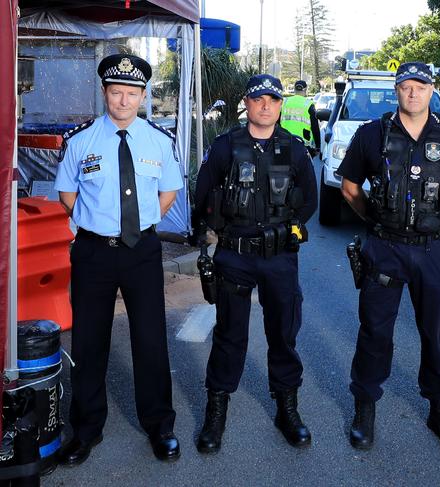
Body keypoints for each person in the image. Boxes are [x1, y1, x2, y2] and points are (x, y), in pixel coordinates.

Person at [338, 62, 440, 451]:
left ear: (432, 89)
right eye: (406, 87)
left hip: (433, 249)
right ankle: (365, 408)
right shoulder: (372, 134)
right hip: (384, 247)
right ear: (397, 90)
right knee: (375, 331)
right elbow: (350, 187)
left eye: (421, 86)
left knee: (437, 333)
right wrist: (376, 219)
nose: (413, 93)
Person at [54, 54, 183, 465]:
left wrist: (139, 226)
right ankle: (86, 430)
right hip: (93, 252)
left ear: (143, 96)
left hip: (141, 251)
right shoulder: (81, 141)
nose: (123, 101)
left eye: (132, 93)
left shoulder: (159, 141)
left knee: (150, 341)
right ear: (105, 93)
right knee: (90, 343)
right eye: (116, 92)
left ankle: (160, 426)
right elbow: (67, 196)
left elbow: (167, 195)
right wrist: (97, 226)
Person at [193, 74, 318, 454]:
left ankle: (287, 410)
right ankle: (216, 414)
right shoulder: (225, 147)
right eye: (258, 99)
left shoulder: (293, 149)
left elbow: (310, 201)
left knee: (283, 334)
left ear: (281, 106)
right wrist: (215, 233)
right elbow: (203, 195)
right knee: (230, 336)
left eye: (272, 100)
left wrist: (287, 232)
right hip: (235, 255)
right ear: (246, 103)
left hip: (279, 257)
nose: (266, 106)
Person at [280, 80, 321, 156]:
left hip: (284, 142)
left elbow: (277, 122)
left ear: (294, 89)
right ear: (305, 89)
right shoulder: (308, 104)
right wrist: (318, 147)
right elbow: (315, 127)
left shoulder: (285, 102)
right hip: (302, 145)